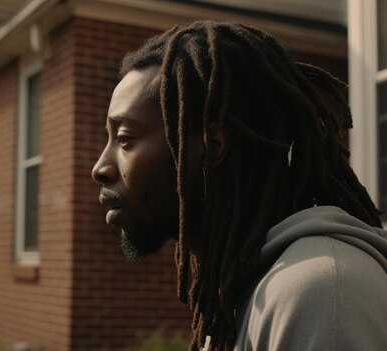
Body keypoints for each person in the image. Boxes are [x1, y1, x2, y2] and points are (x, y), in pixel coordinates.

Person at [91, 21, 387, 351]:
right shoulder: (239, 288)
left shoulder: (321, 293)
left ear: (212, 147)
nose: (100, 168)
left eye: (124, 139)